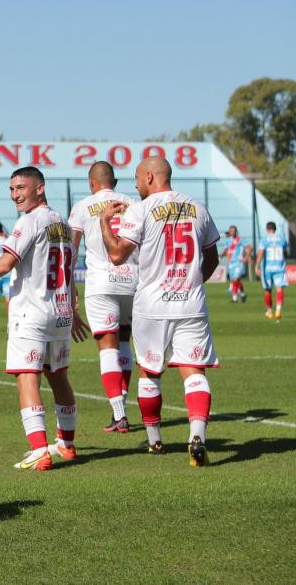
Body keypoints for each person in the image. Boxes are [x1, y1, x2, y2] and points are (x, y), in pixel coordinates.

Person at [0, 167, 87, 471]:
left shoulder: (30, 221)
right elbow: (69, 271)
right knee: (59, 376)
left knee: (28, 376)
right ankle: (66, 443)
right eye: (11, 189)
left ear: (40, 188)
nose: (15, 195)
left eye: (21, 187)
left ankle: (39, 450)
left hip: (33, 314)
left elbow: (6, 262)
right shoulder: (62, 223)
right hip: (60, 313)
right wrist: (74, 312)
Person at [99, 156, 221, 466]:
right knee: (194, 372)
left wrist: (104, 223)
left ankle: (154, 441)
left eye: (137, 178)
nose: (135, 184)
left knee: (150, 372)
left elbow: (115, 255)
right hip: (191, 303)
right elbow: (213, 259)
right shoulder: (198, 207)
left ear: (151, 177)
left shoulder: (140, 210)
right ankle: (197, 437)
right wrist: (193, 283)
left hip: (152, 306)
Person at [68, 162, 139, 433]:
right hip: (132, 280)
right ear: (115, 182)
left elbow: (71, 252)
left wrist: (70, 286)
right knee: (124, 342)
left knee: (107, 346)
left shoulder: (82, 207)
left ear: (91, 182)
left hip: (101, 283)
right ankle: (122, 410)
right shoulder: (132, 203)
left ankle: (119, 414)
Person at [255, 221, 288, 321]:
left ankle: (269, 311)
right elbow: (285, 252)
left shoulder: (264, 239)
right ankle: (278, 310)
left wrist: (256, 266)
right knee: (279, 289)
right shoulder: (282, 238)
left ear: (267, 229)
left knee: (267, 290)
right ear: (275, 229)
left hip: (267, 269)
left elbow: (261, 252)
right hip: (279, 268)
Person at [221, 225, 250, 303]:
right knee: (235, 280)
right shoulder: (228, 241)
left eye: (233, 231)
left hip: (239, 262)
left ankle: (235, 298)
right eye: (230, 231)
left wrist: (245, 258)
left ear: (236, 231)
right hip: (231, 263)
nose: (232, 232)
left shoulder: (240, 240)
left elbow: (250, 248)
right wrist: (220, 256)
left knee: (235, 279)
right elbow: (225, 250)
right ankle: (242, 295)